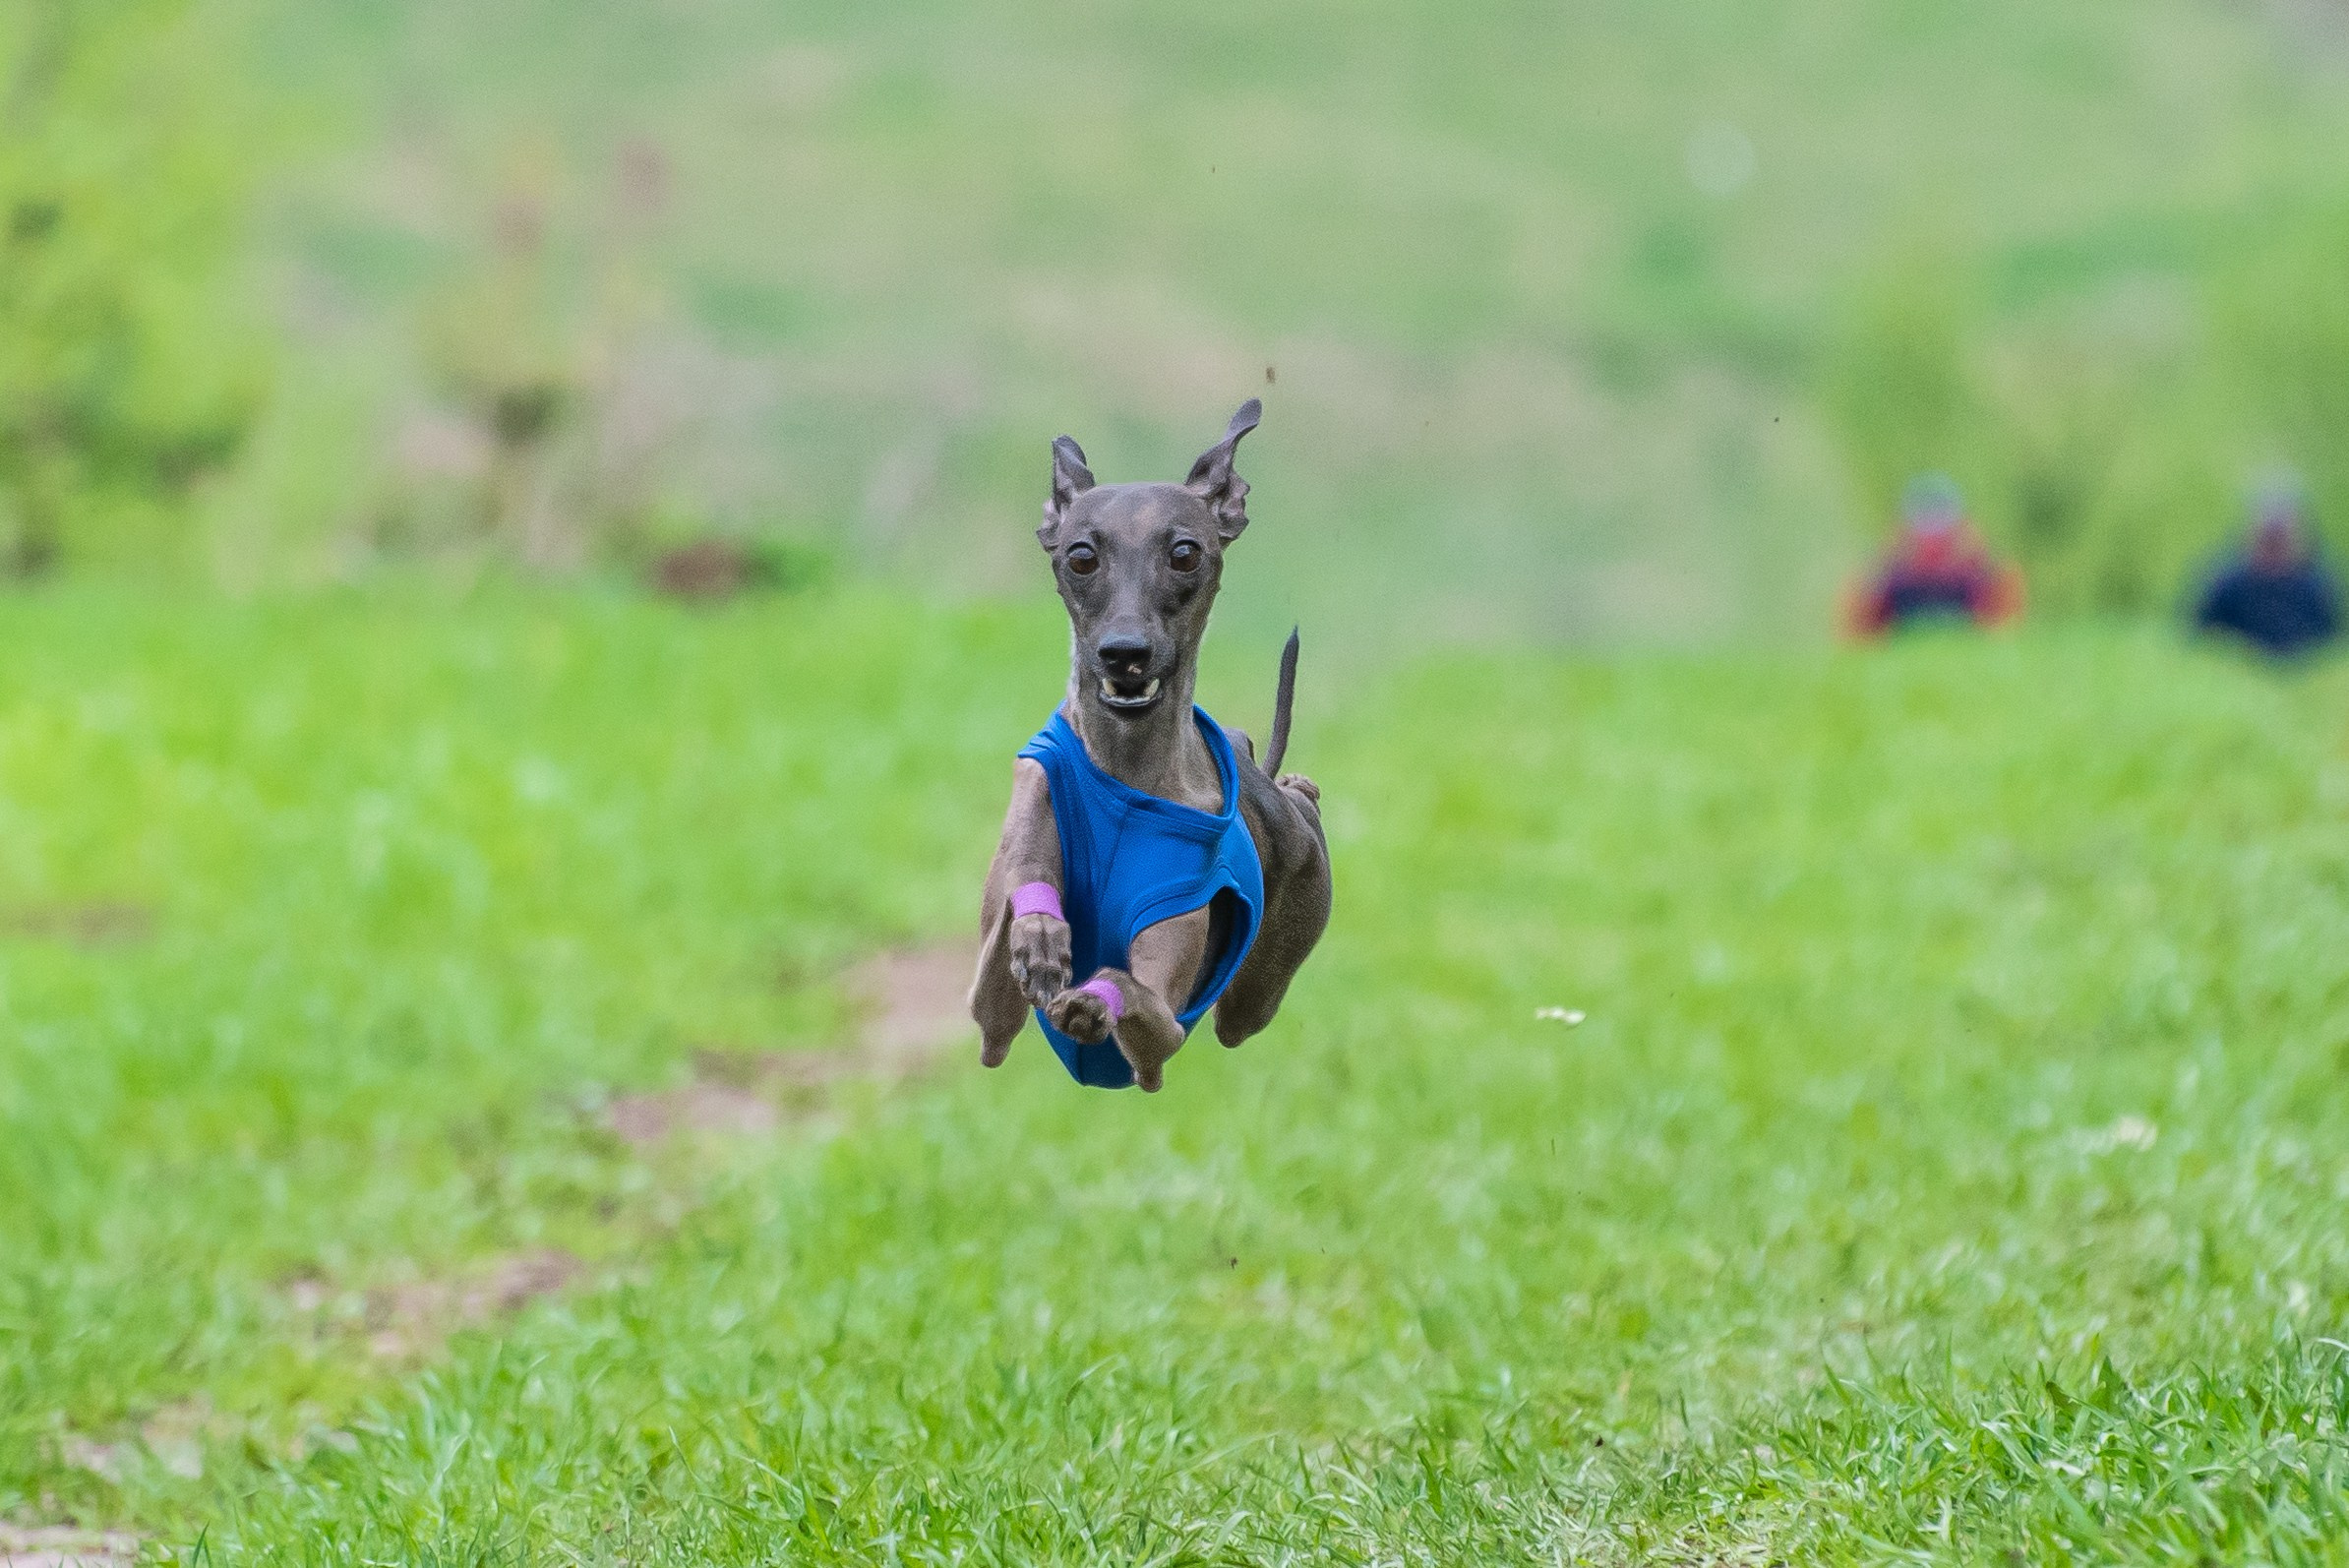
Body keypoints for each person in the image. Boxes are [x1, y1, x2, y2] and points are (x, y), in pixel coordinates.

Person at [1843, 474, 2025, 638]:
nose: (1933, 542)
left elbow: (2008, 627)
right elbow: (1854, 632)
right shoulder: (1890, 579)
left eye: (1942, 532)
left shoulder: (1978, 575)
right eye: (1924, 531)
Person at [2193, 484, 2339, 660]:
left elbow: (2331, 642)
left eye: (2280, 541)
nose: (2274, 549)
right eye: (2268, 541)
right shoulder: (2228, 586)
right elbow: (2199, 635)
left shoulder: (2314, 589)